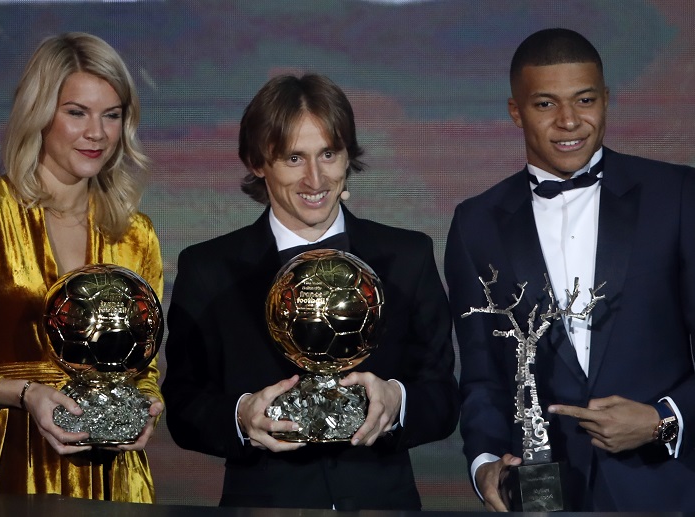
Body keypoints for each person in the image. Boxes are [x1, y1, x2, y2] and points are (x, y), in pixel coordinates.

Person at [162, 73, 459, 511]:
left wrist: (396, 401)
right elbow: (184, 408)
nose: (315, 178)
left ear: (347, 158)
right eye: (293, 158)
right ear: (258, 163)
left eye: (329, 154)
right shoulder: (209, 268)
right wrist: (241, 417)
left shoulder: (406, 256)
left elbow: (442, 398)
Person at [444, 27, 695, 511]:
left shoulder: (678, 196)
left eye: (584, 100)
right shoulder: (475, 222)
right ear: (516, 111)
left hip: (668, 488)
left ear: (605, 99)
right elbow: (481, 374)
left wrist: (665, 420)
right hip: (543, 497)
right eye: (545, 105)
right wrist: (485, 464)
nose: (569, 122)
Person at [0, 32, 164, 502]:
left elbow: (142, 370)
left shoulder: (135, 233)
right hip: (10, 467)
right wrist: (25, 394)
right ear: (40, 113)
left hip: (116, 477)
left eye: (112, 115)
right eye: (77, 112)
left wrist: (149, 406)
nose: (98, 133)